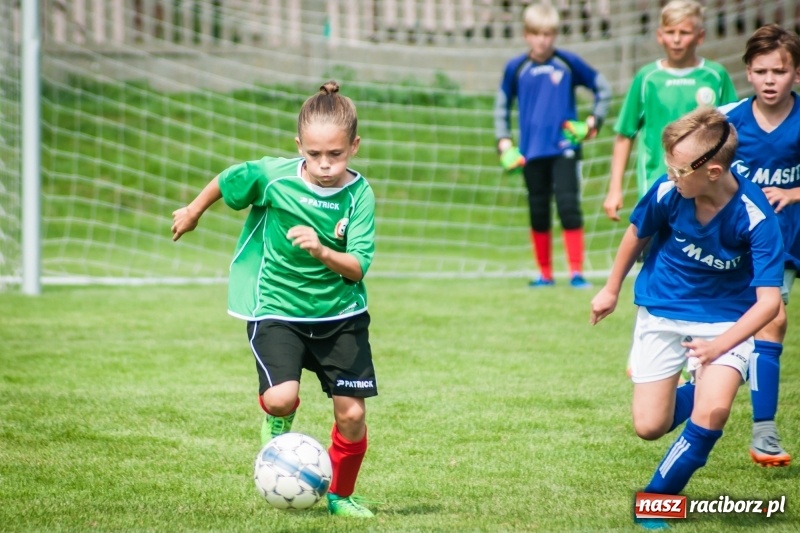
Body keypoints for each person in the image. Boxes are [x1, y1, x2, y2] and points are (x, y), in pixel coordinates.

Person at [171, 81, 378, 518]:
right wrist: (192, 211)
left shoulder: (359, 195)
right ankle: (278, 418)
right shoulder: (273, 177)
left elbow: (357, 267)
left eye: (336, 154)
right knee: (281, 398)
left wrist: (321, 250)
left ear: (354, 147)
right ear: (299, 146)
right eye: (314, 154)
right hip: (276, 307)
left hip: (340, 314)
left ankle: (340, 496)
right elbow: (229, 179)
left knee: (353, 415)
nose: (324, 164)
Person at [590, 107, 783, 530]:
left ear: (713, 172)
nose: (671, 176)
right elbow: (636, 232)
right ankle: (702, 387)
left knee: (713, 413)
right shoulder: (669, 191)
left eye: (679, 170)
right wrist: (610, 289)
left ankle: (656, 502)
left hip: (725, 322)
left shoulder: (755, 216)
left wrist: (720, 346)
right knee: (649, 426)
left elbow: (769, 303)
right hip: (663, 309)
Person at [719, 24, 800, 468]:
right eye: (762, 71)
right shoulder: (729, 121)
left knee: (767, 323)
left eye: (780, 71)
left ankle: (760, 427)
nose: (770, 80)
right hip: (738, 241)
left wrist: (793, 192)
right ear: (748, 73)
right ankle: (764, 431)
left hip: (786, 240)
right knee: (771, 320)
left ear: (796, 74)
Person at [494, 2, 611, 288]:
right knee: (538, 210)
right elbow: (501, 106)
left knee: (569, 206)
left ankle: (576, 273)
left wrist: (592, 122)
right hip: (530, 152)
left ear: (555, 34)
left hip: (564, 149)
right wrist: (504, 142)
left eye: (548, 34)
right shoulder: (516, 68)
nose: (542, 40)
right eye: (536, 34)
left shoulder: (568, 63)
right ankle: (545, 274)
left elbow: (603, 88)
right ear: (526, 35)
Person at [603, 0, 738, 223]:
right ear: (659, 35)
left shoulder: (715, 76)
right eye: (670, 32)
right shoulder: (647, 78)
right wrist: (615, 189)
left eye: (684, 32)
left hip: (704, 184)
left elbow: (733, 131)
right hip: (658, 182)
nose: (676, 39)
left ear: (700, 36)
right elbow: (625, 134)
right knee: (654, 242)